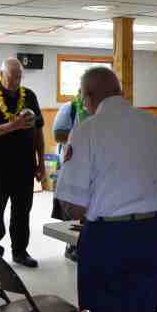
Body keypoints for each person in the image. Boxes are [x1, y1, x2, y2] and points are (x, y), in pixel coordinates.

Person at [55, 67, 157, 312]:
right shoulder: (153, 124)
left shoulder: (86, 130)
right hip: (150, 234)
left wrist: (104, 200)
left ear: (88, 97)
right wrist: (136, 193)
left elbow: (73, 207)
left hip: (106, 239)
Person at [0, 57, 45, 268]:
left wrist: (41, 162)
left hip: (25, 164)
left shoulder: (29, 95)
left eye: (19, 77)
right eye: (12, 77)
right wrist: (11, 127)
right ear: (1, 75)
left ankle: (20, 251)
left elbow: (38, 131)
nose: (16, 82)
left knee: (22, 211)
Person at [51, 91, 88, 261]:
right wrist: (82, 136)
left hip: (92, 168)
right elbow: (58, 135)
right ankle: (72, 245)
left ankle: (86, 244)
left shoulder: (102, 111)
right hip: (71, 165)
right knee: (72, 207)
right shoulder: (70, 108)